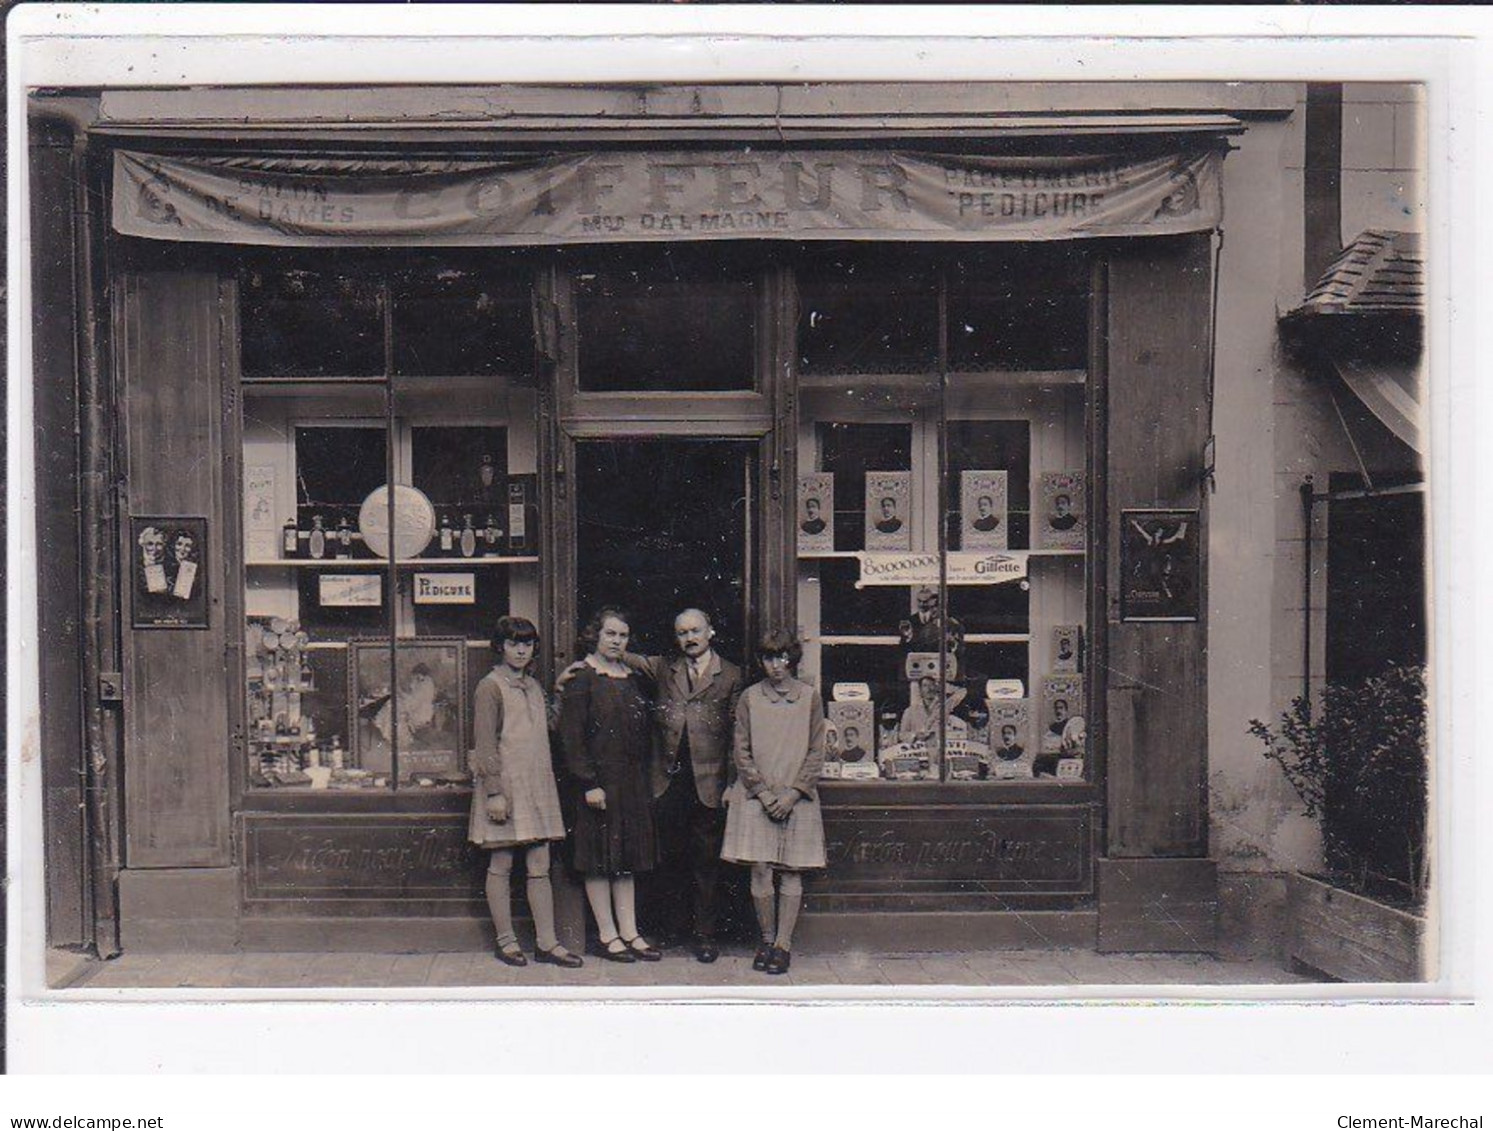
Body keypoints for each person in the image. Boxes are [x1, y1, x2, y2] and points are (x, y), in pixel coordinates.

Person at [621, 608, 744, 964]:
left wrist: (733, 783)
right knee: (668, 858)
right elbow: (621, 655)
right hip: (667, 781)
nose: (689, 638)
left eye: (695, 631)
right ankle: (672, 928)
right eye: (681, 632)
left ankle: (705, 935)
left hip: (710, 782)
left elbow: (739, 735)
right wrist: (580, 664)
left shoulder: (731, 674)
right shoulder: (664, 668)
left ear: (711, 632)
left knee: (706, 863)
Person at [468, 616, 581, 969]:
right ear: (500, 646)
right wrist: (494, 793)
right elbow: (485, 744)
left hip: (536, 785)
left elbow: (547, 726)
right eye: (514, 643)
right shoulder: (490, 687)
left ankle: (547, 943)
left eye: (528, 643)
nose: (521, 649)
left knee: (539, 864)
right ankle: (506, 942)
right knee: (501, 862)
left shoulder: (533, 685)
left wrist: (558, 692)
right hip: (506, 787)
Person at [558, 607, 660, 964]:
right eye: (610, 634)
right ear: (595, 636)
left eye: (622, 635)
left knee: (626, 859)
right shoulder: (583, 677)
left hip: (629, 783)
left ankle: (630, 932)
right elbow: (572, 737)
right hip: (598, 785)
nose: (617, 641)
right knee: (599, 860)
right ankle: (607, 933)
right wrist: (588, 782)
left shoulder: (630, 677)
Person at [721, 630, 827, 976]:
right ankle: (766, 940)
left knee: (792, 870)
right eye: (769, 658)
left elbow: (816, 751)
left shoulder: (809, 697)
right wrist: (765, 794)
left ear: (792, 659)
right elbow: (742, 751)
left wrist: (794, 792)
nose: (776, 665)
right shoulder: (751, 698)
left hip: (797, 798)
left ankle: (784, 944)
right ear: (761, 661)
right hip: (758, 797)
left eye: (782, 657)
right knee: (761, 868)